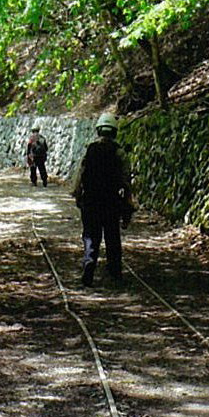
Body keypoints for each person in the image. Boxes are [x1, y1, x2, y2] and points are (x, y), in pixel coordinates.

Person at [71, 112, 134, 286]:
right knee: (112, 236)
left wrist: (77, 194)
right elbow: (126, 179)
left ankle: (89, 264)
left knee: (91, 235)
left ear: (98, 130)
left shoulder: (90, 150)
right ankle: (115, 272)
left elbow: (80, 174)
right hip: (111, 202)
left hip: (90, 200)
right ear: (114, 131)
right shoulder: (119, 152)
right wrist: (128, 203)